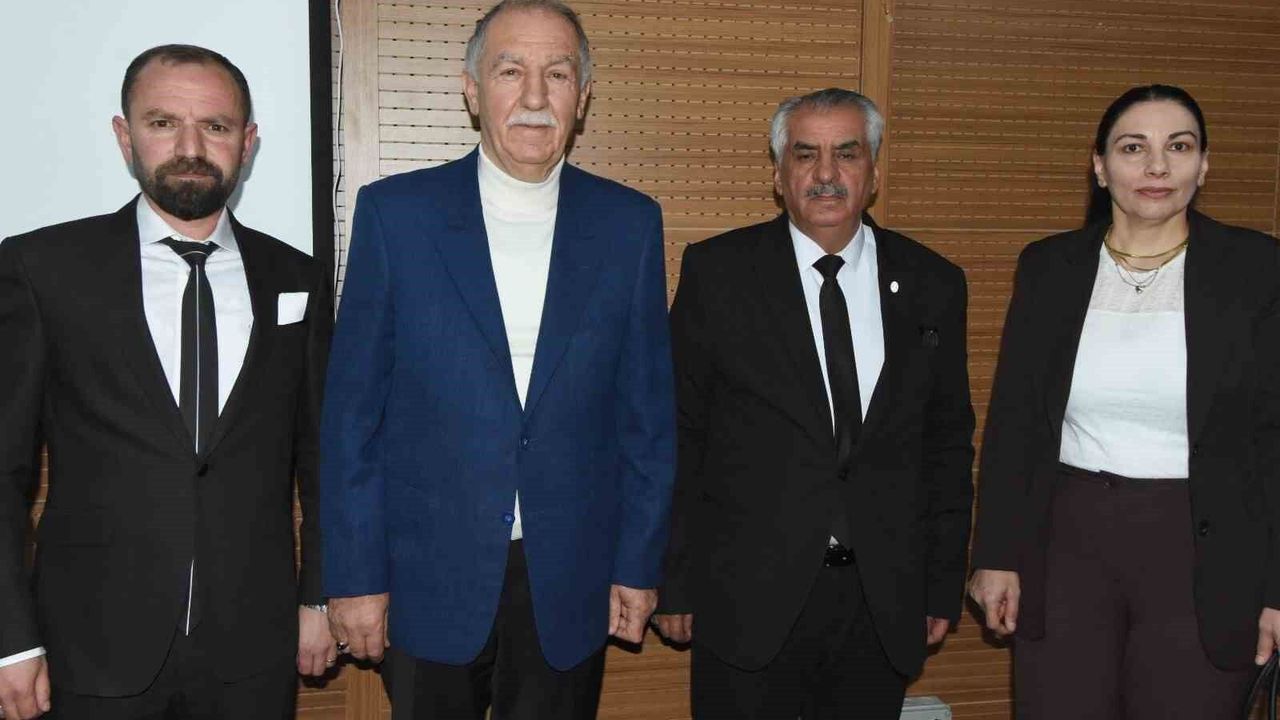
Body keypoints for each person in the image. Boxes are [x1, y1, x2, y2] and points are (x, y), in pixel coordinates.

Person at [319, 1, 675, 717]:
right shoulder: (395, 215)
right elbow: (352, 418)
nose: (535, 96)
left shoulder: (629, 223)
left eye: (558, 74)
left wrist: (638, 563)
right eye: (511, 71)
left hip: (571, 579)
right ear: (473, 90)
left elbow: (647, 416)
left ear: (583, 96)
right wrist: (354, 577)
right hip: (426, 578)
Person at [0, 44, 334, 720]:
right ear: (125, 136)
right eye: (162, 123)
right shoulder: (43, 269)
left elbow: (322, 460)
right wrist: (11, 640)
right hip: (89, 649)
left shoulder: (298, 278)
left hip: (254, 650)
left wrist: (319, 597)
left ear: (247, 142)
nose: (190, 147)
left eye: (215, 126)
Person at [654, 88, 976, 719]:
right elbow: (680, 433)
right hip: (746, 599)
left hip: (881, 601)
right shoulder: (718, 273)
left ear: (873, 172)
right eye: (805, 155)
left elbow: (946, 444)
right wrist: (674, 580)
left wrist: (940, 584)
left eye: (846, 154)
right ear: (778, 176)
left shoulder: (934, 283)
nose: (826, 174)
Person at [969, 84, 1280, 719]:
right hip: (1067, 543)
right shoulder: (1050, 267)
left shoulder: (1257, 269)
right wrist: (996, 555)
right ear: (1100, 166)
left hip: (1208, 550)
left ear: (1204, 165)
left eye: (1179, 147)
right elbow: (1015, 424)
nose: (1157, 166)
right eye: (1134, 148)